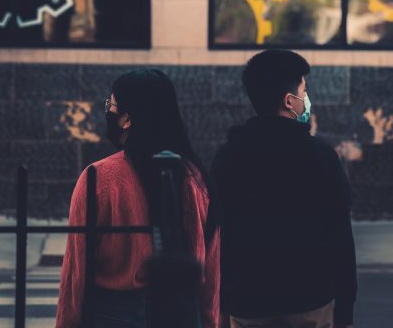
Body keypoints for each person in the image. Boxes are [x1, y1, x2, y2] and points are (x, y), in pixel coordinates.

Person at [55, 68, 220, 328]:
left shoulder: (98, 178)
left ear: (127, 119)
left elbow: (76, 272)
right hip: (182, 311)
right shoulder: (195, 180)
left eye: (111, 104)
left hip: (114, 312)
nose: (108, 109)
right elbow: (210, 271)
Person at [212, 50, 357, 328]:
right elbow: (339, 232)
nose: (307, 98)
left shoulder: (228, 156)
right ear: (290, 101)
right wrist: (345, 308)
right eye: (304, 90)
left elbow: (218, 232)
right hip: (309, 298)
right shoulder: (321, 156)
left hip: (247, 300)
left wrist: (221, 299)